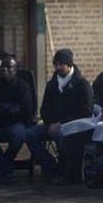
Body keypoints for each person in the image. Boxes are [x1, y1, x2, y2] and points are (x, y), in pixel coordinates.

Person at [24, 49, 94, 182]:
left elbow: (86, 111)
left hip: (74, 127)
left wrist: (61, 124)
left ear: (69, 65)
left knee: (61, 136)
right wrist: (50, 123)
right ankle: (51, 167)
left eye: (61, 64)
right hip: (52, 124)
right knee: (29, 134)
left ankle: (65, 171)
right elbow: (44, 109)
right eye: (55, 64)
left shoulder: (82, 85)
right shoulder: (52, 84)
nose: (57, 67)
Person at [0, 54, 34, 184]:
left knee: (19, 133)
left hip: (15, 125)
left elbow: (27, 111)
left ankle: (4, 165)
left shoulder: (22, 86)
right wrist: (10, 109)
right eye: (3, 67)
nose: (5, 70)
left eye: (9, 67)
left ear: (16, 69)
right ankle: (6, 167)